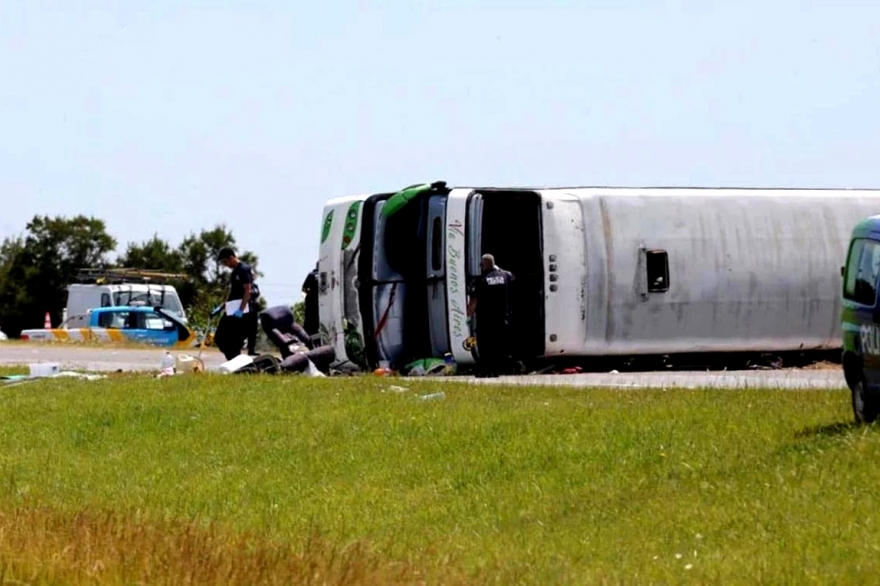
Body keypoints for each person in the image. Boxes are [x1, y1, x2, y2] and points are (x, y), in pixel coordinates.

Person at [466, 253, 515, 378]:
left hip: (485, 319)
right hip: (502, 318)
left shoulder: (480, 280)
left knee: (485, 345)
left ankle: (486, 370)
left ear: (483, 265)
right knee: (498, 344)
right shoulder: (506, 275)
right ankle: (496, 370)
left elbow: (473, 303)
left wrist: (469, 315)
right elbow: (512, 278)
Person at [214, 247, 258, 361]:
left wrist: (241, 310)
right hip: (232, 309)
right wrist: (222, 307)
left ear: (231, 257)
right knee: (220, 338)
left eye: (225, 262)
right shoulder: (235, 272)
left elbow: (247, 291)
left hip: (241, 312)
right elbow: (233, 293)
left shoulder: (243, 269)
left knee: (232, 341)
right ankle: (235, 362)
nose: (226, 265)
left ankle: (237, 364)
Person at [302, 263, 319, 337]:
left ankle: (307, 338)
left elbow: (304, 289)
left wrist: (311, 292)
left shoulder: (311, 275)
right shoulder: (326, 275)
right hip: (320, 304)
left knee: (308, 322)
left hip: (311, 302)